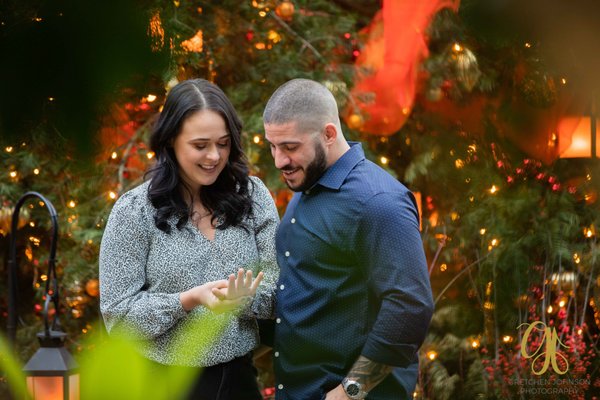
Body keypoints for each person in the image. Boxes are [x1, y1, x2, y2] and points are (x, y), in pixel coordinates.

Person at [100, 78, 279, 400]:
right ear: (170, 141)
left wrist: (245, 300)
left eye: (223, 144)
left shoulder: (253, 196)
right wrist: (187, 300)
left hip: (239, 381)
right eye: (200, 145)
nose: (214, 156)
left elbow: (284, 288)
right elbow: (119, 318)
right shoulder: (134, 211)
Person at [263, 78, 434, 400]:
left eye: (290, 147)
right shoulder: (310, 182)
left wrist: (350, 391)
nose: (279, 161)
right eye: (272, 146)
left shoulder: (379, 201)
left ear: (328, 134)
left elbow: (410, 306)